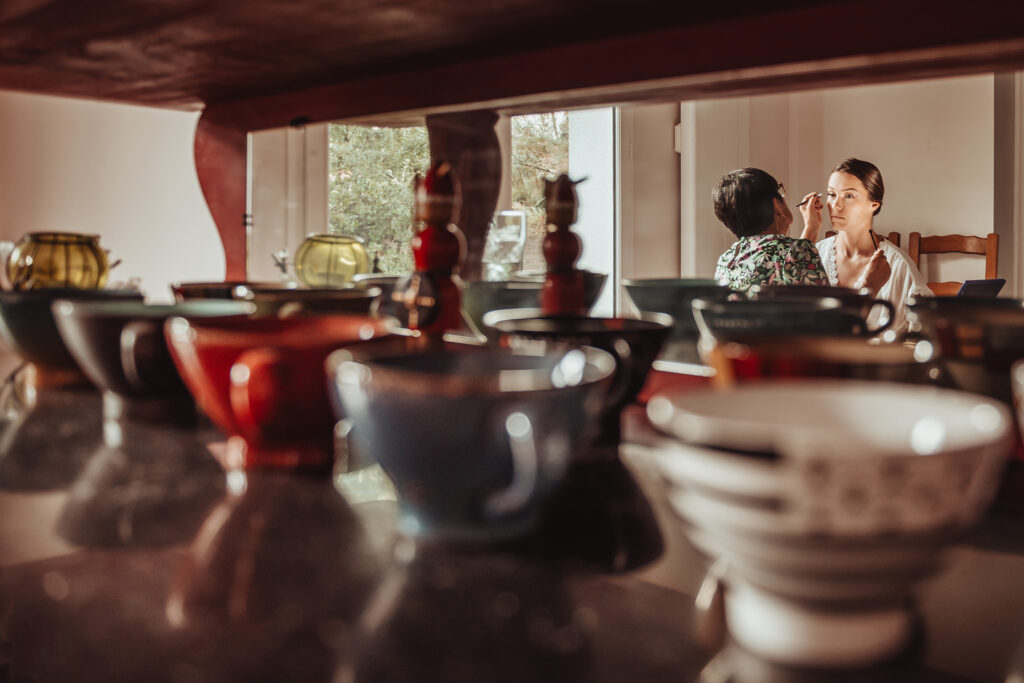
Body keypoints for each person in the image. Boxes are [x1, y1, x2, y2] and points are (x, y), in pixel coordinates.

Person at [801, 158, 931, 335]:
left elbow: (924, 333)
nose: (836, 205)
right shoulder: (815, 254)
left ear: (874, 204)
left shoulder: (898, 266)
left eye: (849, 196)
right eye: (832, 194)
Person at [713, 168, 827, 291]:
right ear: (777, 204)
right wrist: (811, 229)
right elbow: (822, 304)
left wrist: (811, 228)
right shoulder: (793, 252)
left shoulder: (726, 260)